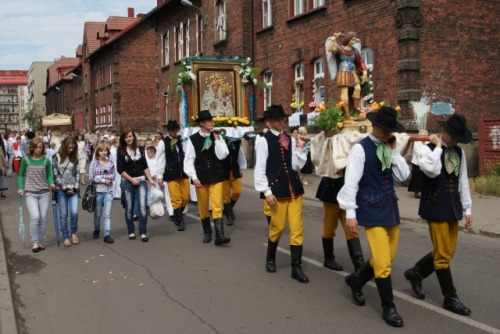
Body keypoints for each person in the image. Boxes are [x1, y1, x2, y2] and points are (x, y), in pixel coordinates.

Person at [337, 106, 409, 327]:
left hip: (390, 207)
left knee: (388, 257)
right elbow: (351, 182)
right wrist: (350, 213)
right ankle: (389, 307)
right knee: (382, 263)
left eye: (391, 130)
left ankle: (356, 280)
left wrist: (395, 152)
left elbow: (403, 176)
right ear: (375, 126)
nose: (388, 133)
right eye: (385, 129)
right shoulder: (361, 149)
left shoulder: (388, 147)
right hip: (370, 208)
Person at [404, 114, 473, 316]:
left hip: (453, 205)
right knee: (442, 255)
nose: (458, 141)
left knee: (448, 251)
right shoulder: (428, 150)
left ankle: (416, 272)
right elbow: (431, 170)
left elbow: (463, 181)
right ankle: (450, 298)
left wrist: (468, 209)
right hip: (435, 205)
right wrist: (437, 146)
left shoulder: (458, 152)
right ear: (446, 133)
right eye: (455, 136)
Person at [254, 104, 309, 283]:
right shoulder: (263, 140)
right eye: (278, 119)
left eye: (283, 119)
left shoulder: (289, 139)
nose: (282, 122)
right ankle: (270, 258)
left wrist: (300, 148)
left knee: (297, 227)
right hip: (277, 189)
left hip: (293, 187)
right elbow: (260, 168)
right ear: (269, 122)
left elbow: (296, 165)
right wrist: (266, 192)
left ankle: (296, 266)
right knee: (277, 227)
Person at [184, 110, 230, 245]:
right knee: (203, 207)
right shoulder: (193, 139)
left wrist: (217, 139)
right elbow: (188, 161)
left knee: (216, 205)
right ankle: (207, 232)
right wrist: (194, 177)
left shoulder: (216, 136)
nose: (212, 122)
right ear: (202, 123)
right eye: (209, 120)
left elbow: (222, 155)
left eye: (212, 120)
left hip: (216, 175)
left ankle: (220, 236)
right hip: (201, 177)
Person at [316, 175, 365, 271]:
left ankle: (359, 265)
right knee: (329, 228)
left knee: (352, 229)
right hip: (332, 190)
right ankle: (329, 259)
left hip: (348, 194)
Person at [116, 128, 156, 242]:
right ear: (123, 139)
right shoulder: (121, 151)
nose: (129, 139)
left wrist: (150, 179)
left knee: (143, 207)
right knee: (129, 208)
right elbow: (120, 169)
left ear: (134, 137)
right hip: (127, 182)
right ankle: (131, 231)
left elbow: (145, 166)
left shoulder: (140, 149)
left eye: (130, 136)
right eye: (126, 137)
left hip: (141, 180)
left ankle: (143, 232)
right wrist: (131, 180)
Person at [17, 137, 56, 252]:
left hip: (44, 192)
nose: (39, 149)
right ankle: (34, 242)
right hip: (31, 193)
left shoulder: (46, 160)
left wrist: (51, 183)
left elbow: (49, 175)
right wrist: (20, 187)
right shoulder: (26, 160)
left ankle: (40, 241)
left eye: (41, 147)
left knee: (43, 218)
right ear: (32, 148)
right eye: (37, 147)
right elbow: (20, 175)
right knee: (35, 217)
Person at [157, 120, 190, 231]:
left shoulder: (182, 140)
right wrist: (160, 176)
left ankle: (177, 214)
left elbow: (187, 154)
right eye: (172, 130)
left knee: (185, 197)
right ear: (168, 131)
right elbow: (160, 159)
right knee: (176, 198)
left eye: (175, 129)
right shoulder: (163, 142)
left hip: (183, 172)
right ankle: (179, 220)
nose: (174, 132)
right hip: (171, 173)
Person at [325, 31, 367, 117]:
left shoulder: (355, 50)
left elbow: (360, 61)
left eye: (355, 40)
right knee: (344, 92)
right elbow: (329, 49)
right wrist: (334, 39)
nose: (354, 42)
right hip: (343, 70)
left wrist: (365, 72)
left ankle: (355, 106)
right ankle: (347, 114)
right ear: (348, 39)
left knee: (358, 88)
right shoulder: (340, 49)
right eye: (353, 40)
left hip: (353, 71)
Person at [52, 136, 81, 247]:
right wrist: (64, 187)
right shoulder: (56, 157)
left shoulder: (74, 158)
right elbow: (55, 174)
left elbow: (77, 173)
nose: (71, 150)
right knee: (63, 214)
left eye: (73, 148)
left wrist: (74, 187)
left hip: (73, 188)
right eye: (69, 148)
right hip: (61, 190)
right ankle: (65, 236)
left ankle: (73, 232)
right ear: (64, 146)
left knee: (74, 212)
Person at [89, 142, 116, 243]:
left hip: (108, 191)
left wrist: (99, 177)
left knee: (107, 214)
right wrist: (104, 179)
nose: (104, 152)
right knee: (97, 214)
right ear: (98, 152)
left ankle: (107, 234)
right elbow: (91, 178)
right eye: (101, 150)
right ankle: (96, 229)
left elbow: (113, 176)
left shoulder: (111, 163)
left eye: (105, 151)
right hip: (97, 192)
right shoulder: (93, 163)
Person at [222, 136, 247, 225]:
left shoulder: (236, 142)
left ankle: (229, 208)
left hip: (234, 170)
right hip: (223, 172)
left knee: (238, 191)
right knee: (225, 194)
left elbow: (240, 155)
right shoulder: (219, 142)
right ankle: (229, 214)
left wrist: (242, 169)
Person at [407, 129, 429, 198]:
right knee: (416, 178)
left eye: (425, 135)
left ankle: (424, 192)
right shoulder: (416, 142)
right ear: (419, 136)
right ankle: (416, 192)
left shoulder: (428, 142)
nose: (423, 137)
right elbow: (417, 152)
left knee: (424, 178)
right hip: (417, 162)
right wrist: (425, 153)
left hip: (426, 163)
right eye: (422, 135)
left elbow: (430, 152)